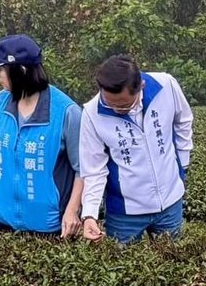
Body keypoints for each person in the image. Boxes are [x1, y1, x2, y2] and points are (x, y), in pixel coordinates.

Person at [0, 34, 83, 236]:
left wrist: (73, 211)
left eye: (1, 69)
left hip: (50, 226)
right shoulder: (0, 103)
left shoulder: (66, 112)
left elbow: (83, 169)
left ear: (20, 71)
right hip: (4, 220)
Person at [79, 55, 193, 244]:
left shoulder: (165, 86)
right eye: (110, 103)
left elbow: (184, 121)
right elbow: (93, 169)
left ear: (141, 86)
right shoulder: (92, 113)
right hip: (125, 213)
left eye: (123, 105)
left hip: (170, 202)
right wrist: (89, 214)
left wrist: (182, 165)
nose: (115, 109)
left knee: (174, 262)